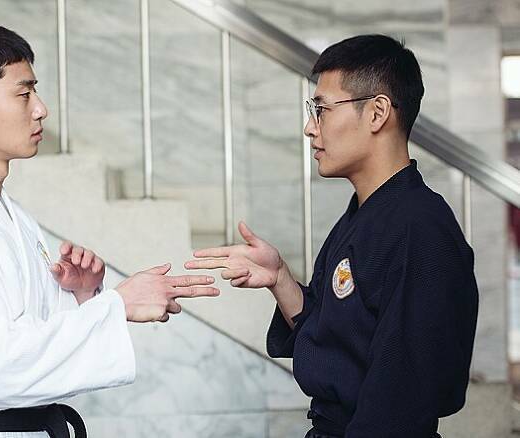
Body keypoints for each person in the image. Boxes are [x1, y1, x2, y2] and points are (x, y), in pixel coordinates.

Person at [0, 22, 219, 438]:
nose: (41, 109)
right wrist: (118, 304)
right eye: (24, 94)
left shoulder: (12, 217)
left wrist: (83, 298)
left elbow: (36, 347)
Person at [186, 34, 478, 437]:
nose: (310, 128)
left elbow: (401, 400)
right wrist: (280, 279)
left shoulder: (420, 229)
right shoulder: (364, 214)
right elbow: (334, 338)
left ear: (377, 113)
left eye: (321, 110)